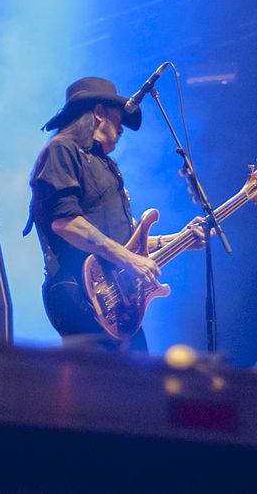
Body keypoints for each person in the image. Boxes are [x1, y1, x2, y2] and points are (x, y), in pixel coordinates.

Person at [25, 76, 205, 352]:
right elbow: (66, 223)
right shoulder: (61, 150)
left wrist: (179, 239)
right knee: (100, 387)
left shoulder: (106, 165)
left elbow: (126, 240)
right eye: (117, 119)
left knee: (137, 385)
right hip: (79, 293)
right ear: (99, 113)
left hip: (117, 300)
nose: (122, 128)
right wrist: (129, 259)